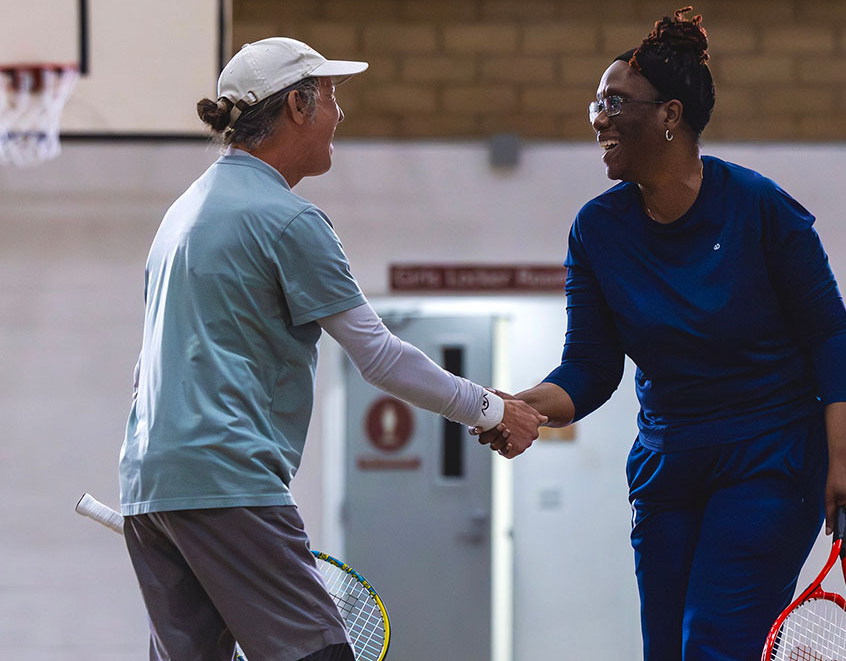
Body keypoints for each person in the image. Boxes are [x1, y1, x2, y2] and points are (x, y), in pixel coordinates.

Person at [118, 37, 545, 661]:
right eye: (332, 97)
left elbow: (145, 369)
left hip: (147, 488)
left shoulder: (180, 216)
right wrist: (489, 410)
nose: (339, 114)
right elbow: (381, 357)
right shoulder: (289, 221)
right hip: (229, 482)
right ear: (297, 104)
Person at [473, 8, 846, 660]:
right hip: (669, 465)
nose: (599, 117)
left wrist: (844, 458)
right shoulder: (596, 231)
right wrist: (524, 404)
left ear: (670, 115)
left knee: (712, 643)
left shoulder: (761, 209)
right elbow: (591, 366)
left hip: (770, 459)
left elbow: (830, 335)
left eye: (615, 101)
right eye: (595, 103)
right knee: (668, 651)